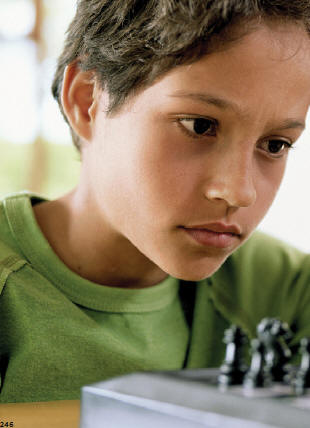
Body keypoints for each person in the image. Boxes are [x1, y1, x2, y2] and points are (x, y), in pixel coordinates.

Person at [1, 0, 310, 404]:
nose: (239, 192)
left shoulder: (284, 290)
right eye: (200, 126)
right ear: (86, 101)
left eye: (275, 145)